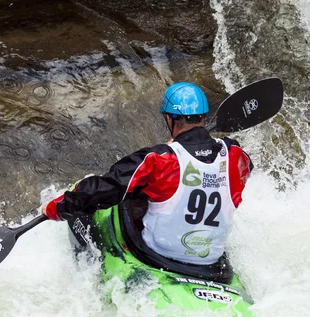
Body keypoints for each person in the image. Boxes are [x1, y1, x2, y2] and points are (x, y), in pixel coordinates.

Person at [41, 82, 253, 265]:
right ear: (204, 117)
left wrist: (57, 207)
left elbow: (106, 187)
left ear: (170, 119)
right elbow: (244, 167)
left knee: (134, 194)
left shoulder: (159, 160)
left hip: (162, 254)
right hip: (210, 259)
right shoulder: (235, 154)